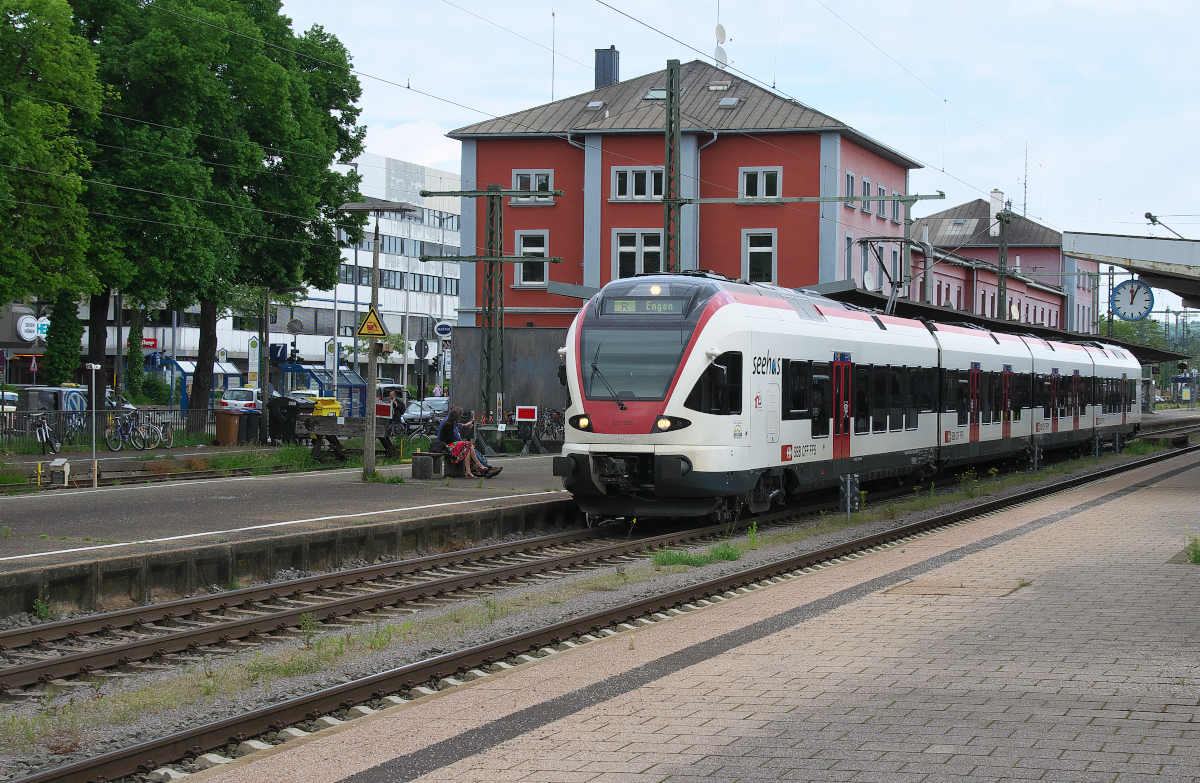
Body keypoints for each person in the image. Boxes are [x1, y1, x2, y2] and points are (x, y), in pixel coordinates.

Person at [436, 407, 501, 478]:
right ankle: (485, 469)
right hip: (445, 445)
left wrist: (464, 425)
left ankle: (474, 470)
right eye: (459, 417)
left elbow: (457, 426)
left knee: (470, 448)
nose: (459, 419)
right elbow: (453, 438)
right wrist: (462, 443)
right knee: (469, 446)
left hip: (450, 444)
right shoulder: (449, 424)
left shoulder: (450, 421)